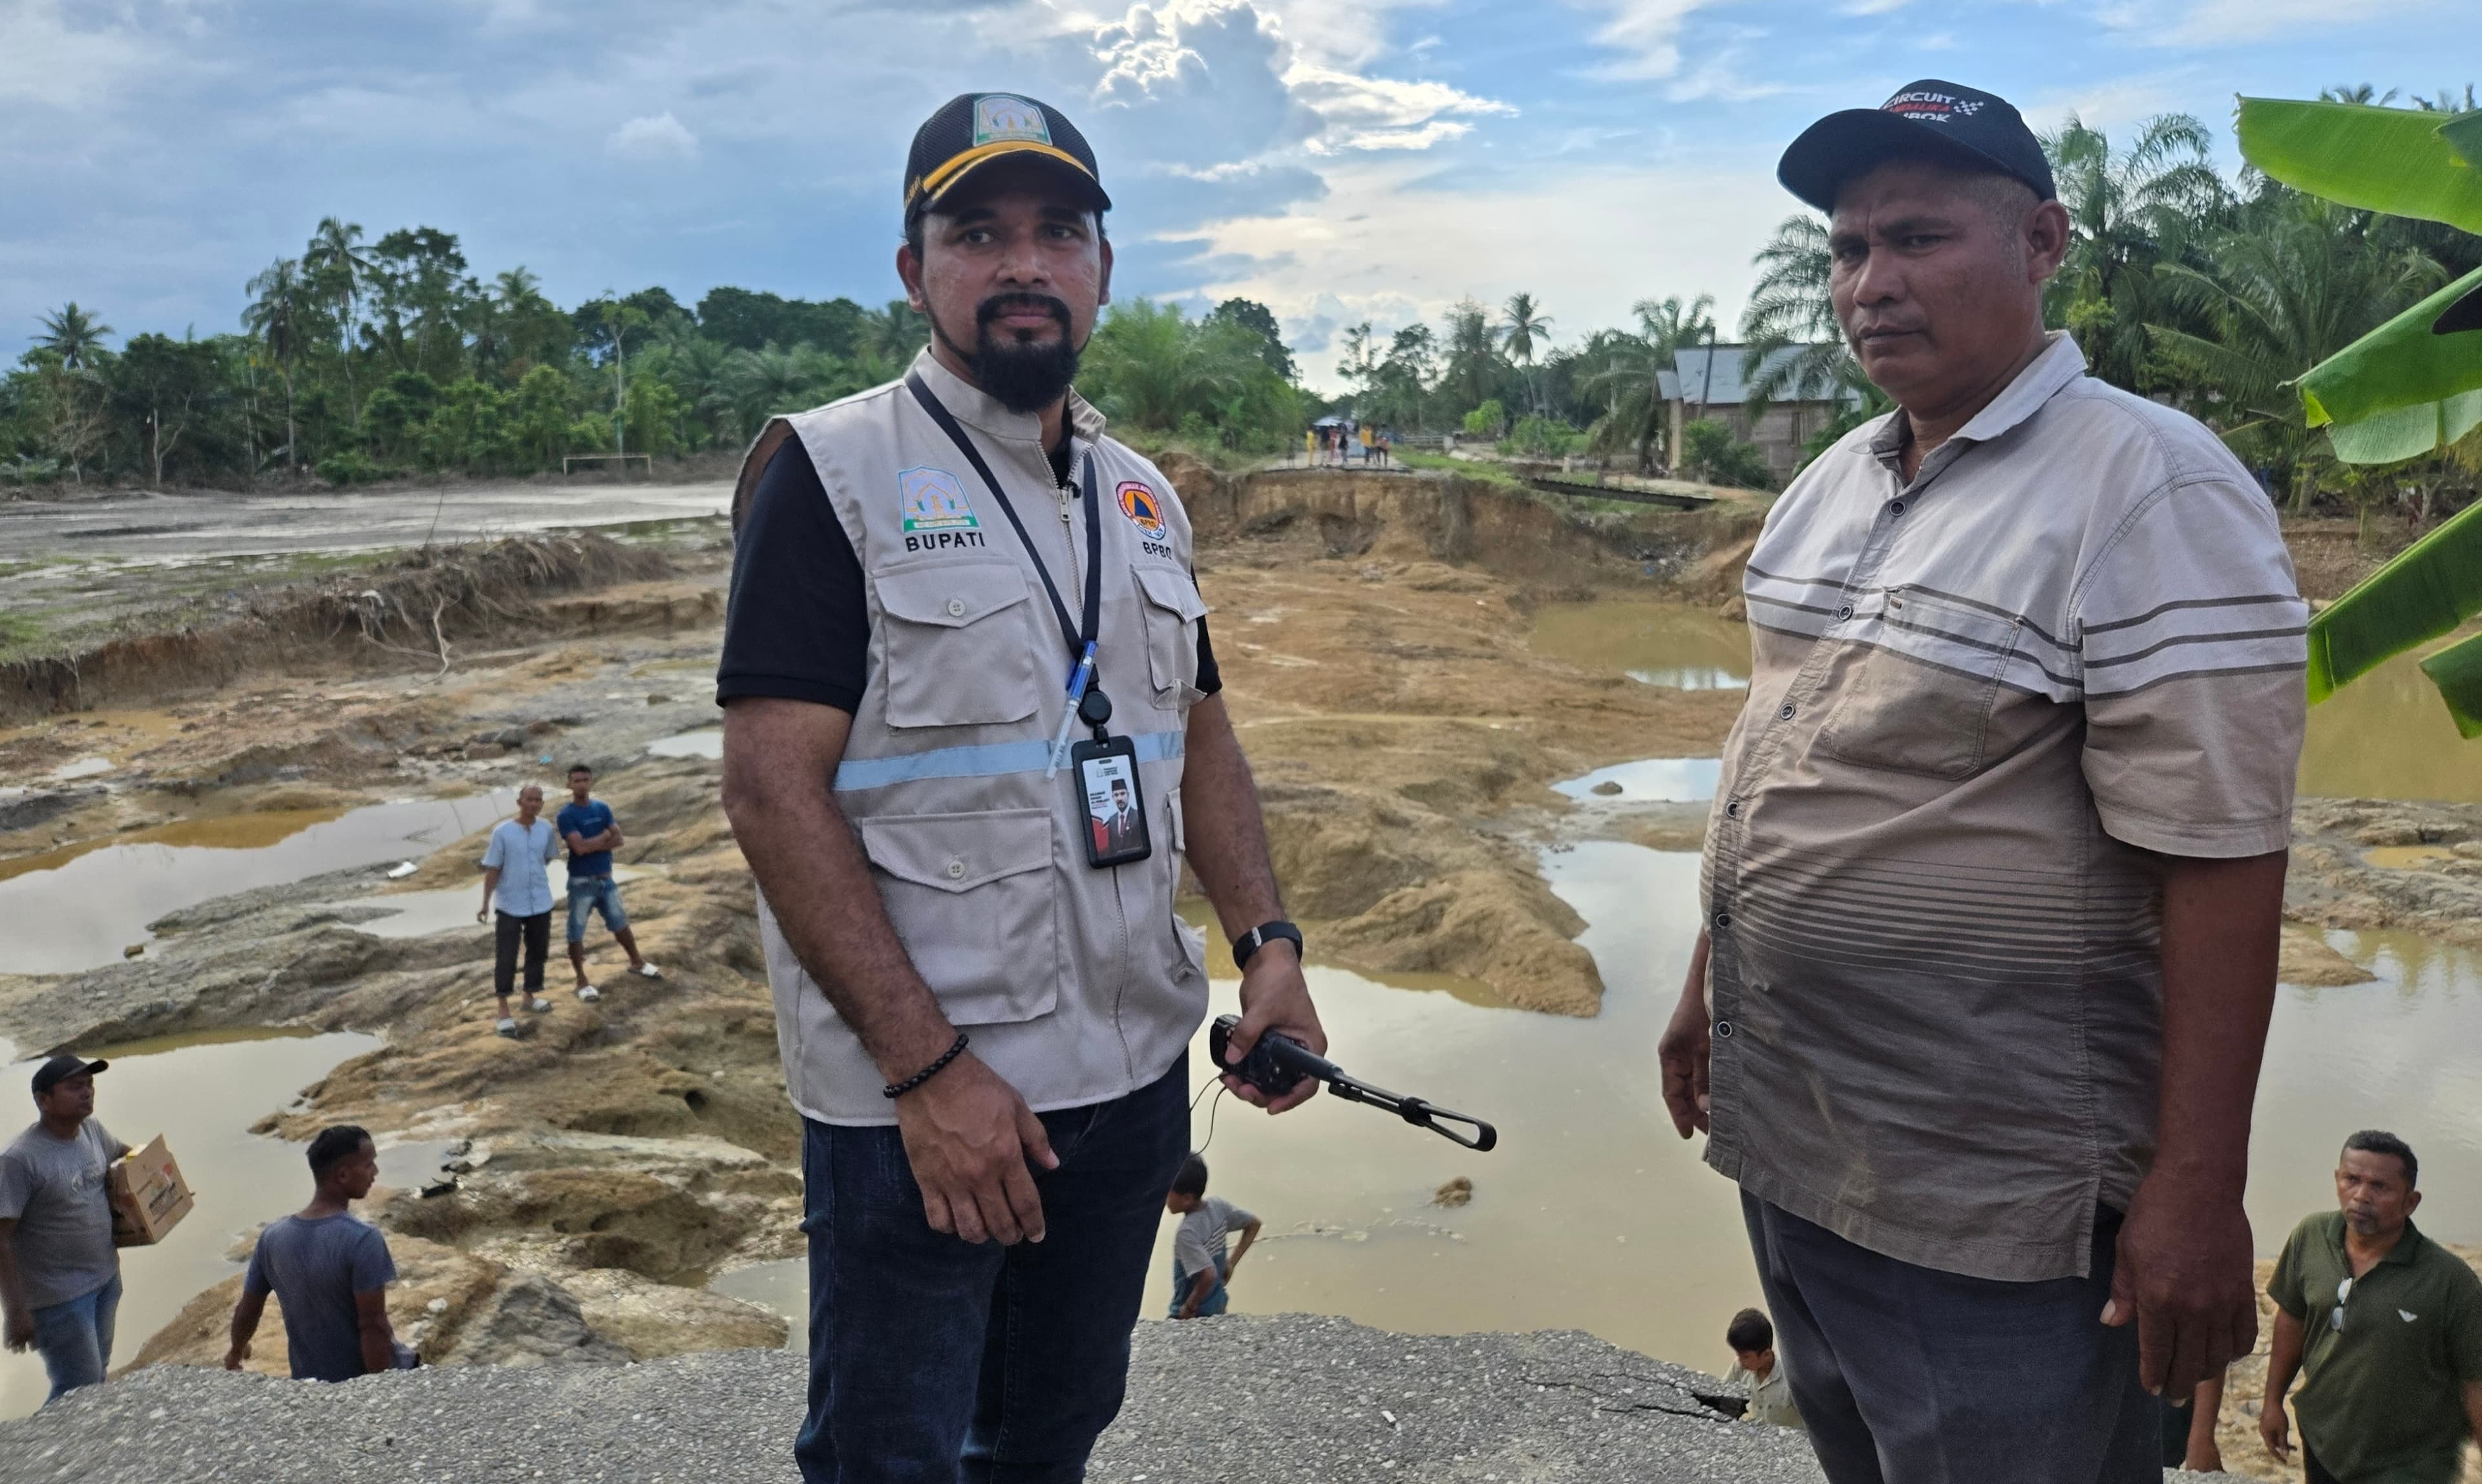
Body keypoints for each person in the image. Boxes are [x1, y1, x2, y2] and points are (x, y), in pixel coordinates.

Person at [1655, 78, 2307, 1482]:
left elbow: (2224, 855)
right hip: (1802, 1147)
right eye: (1847, 250)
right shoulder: (1833, 477)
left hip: (1996, 1200)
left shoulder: (2148, 490)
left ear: (2042, 243)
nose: (1871, 284)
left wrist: (2199, 1185)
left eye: (1917, 237)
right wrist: (1709, 975)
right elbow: (1783, 749)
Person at [716, 90, 1324, 1483]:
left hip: (1127, 1082)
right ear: (913, 268)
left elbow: (1199, 735)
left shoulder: (1140, 495)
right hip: (928, 1107)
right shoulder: (830, 472)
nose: (1023, 264)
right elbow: (770, 791)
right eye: (977, 231)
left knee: (1053, 1434)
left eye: (1059, 230)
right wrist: (929, 1071)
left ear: (1103, 264)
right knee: (892, 1449)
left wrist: (1269, 945)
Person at [2261, 1132, 2482, 1484]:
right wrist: (2272, 1401)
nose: (2361, 1195)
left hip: (2411, 1463)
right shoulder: (2311, 1236)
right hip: (2324, 1439)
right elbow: (2293, 1318)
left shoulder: (2450, 1282)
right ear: (2337, 1180)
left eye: (2380, 1187)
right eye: (2352, 1180)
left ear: (2411, 1202)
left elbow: (2475, 1380)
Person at [224, 1125, 409, 1382]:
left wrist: (235, 1352)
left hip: (308, 1384)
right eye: (369, 1165)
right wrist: (380, 1390)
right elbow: (373, 1326)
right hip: (359, 1382)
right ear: (343, 1175)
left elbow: (249, 1308)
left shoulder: (272, 1237)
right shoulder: (364, 1239)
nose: (375, 1173)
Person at [0, 1055, 127, 1404]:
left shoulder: (92, 1130)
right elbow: (2, 1237)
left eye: (89, 1085)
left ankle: (88, 1452)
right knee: (78, 1389)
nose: (87, 1093)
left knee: (96, 1376)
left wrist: (159, 1180)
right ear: (43, 1100)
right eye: (74, 1087)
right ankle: (42, 1453)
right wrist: (15, 1310)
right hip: (59, 1298)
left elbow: (126, 1159)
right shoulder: (19, 1159)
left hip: (105, 1280)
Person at [555, 763, 661, 1001]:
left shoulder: (602, 808)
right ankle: (581, 982)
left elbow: (620, 840)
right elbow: (579, 849)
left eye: (585, 779)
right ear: (569, 785)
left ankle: (637, 962)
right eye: (577, 781)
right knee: (576, 932)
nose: (581, 784)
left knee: (620, 923)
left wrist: (597, 842)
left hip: (606, 879)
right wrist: (604, 836)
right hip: (582, 883)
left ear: (591, 781)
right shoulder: (566, 815)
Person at [477, 783, 559, 1038]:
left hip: (540, 902)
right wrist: (485, 903)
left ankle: (529, 995)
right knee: (507, 956)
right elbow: (493, 869)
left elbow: (546, 858)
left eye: (539, 800)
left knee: (537, 951)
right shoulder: (502, 833)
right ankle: (503, 1008)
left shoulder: (545, 829)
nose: (534, 804)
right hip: (510, 904)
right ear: (520, 802)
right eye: (529, 799)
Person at [1164, 1154, 1258, 1320]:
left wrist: (1190, 1307)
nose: (1164, 1197)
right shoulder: (1218, 1206)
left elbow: (1208, 1274)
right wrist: (1230, 1264)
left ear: (1187, 1198)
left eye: (1168, 1191)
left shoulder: (1187, 1233)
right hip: (1218, 1304)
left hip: (1193, 1312)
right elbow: (1253, 1225)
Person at [1724, 1308, 1802, 1429]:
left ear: (1766, 1355)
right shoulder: (1739, 1368)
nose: (1740, 1361)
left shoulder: (1792, 1380)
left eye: (1745, 1356)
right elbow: (1724, 1400)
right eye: (1738, 1354)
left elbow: (1813, 1422)